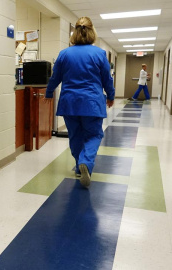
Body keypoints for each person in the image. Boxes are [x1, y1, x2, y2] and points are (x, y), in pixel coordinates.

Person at [44, 17, 115, 188]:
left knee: (75, 135)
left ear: (74, 33)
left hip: (70, 103)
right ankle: (86, 162)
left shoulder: (64, 54)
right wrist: (111, 96)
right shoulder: (99, 54)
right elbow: (107, 79)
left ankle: (79, 167)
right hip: (92, 102)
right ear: (92, 32)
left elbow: (55, 78)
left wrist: (48, 92)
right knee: (94, 134)